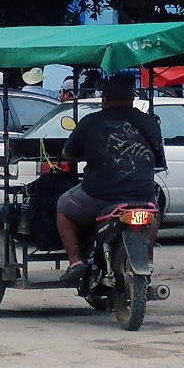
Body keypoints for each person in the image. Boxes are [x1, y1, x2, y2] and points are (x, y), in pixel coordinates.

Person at [55, 75, 165, 283]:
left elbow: (68, 154)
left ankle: (75, 261)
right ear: (132, 98)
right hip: (143, 193)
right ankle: (147, 258)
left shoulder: (91, 122)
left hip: (99, 194)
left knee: (63, 206)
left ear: (104, 98)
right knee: (153, 213)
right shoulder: (150, 123)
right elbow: (157, 153)